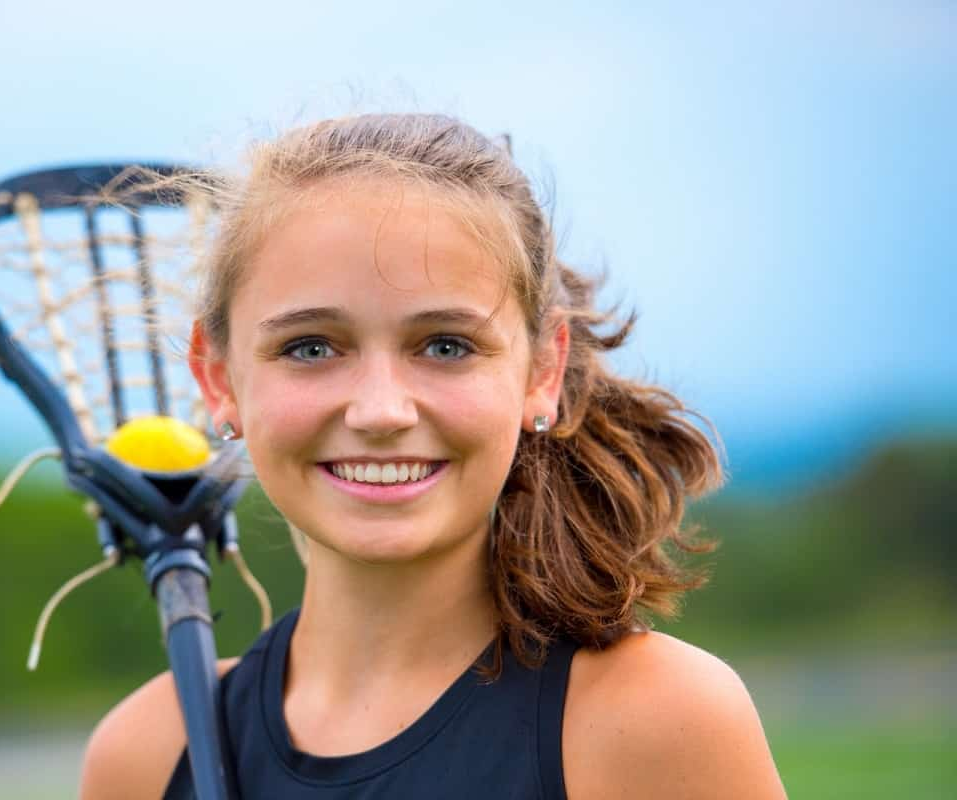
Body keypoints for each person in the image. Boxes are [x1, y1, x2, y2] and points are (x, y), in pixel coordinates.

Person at [79, 113, 787, 799]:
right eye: (311, 347)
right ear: (219, 378)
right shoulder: (148, 752)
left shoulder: (653, 722)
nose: (381, 411)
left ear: (543, 370)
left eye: (446, 345)